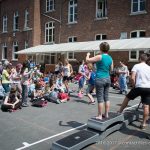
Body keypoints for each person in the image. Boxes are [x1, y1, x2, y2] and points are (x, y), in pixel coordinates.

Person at [118, 54, 150, 129]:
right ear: (146, 60)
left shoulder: (136, 66)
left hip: (138, 87)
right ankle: (144, 124)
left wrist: (133, 85)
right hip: (148, 88)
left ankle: (120, 111)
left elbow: (132, 77)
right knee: (146, 106)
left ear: (139, 59)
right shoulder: (149, 67)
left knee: (127, 98)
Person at [86, 42, 113, 120]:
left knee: (100, 98)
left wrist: (87, 54)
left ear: (101, 48)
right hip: (108, 78)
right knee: (106, 97)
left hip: (100, 78)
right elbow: (111, 69)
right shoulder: (110, 58)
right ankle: (106, 114)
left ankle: (100, 115)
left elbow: (87, 60)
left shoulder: (100, 56)